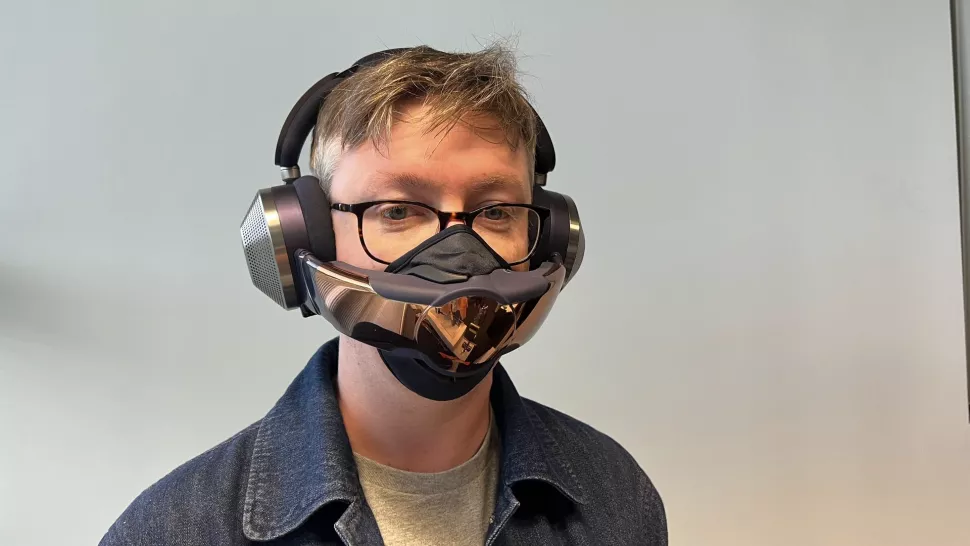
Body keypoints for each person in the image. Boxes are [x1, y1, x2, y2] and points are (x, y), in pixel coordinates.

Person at [100, 44, 667, 546]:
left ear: (547, 239)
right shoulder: (171, 530)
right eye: (397, 210)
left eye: (496, 211)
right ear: (303, 238)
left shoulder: (616, 497)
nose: (458, 255)